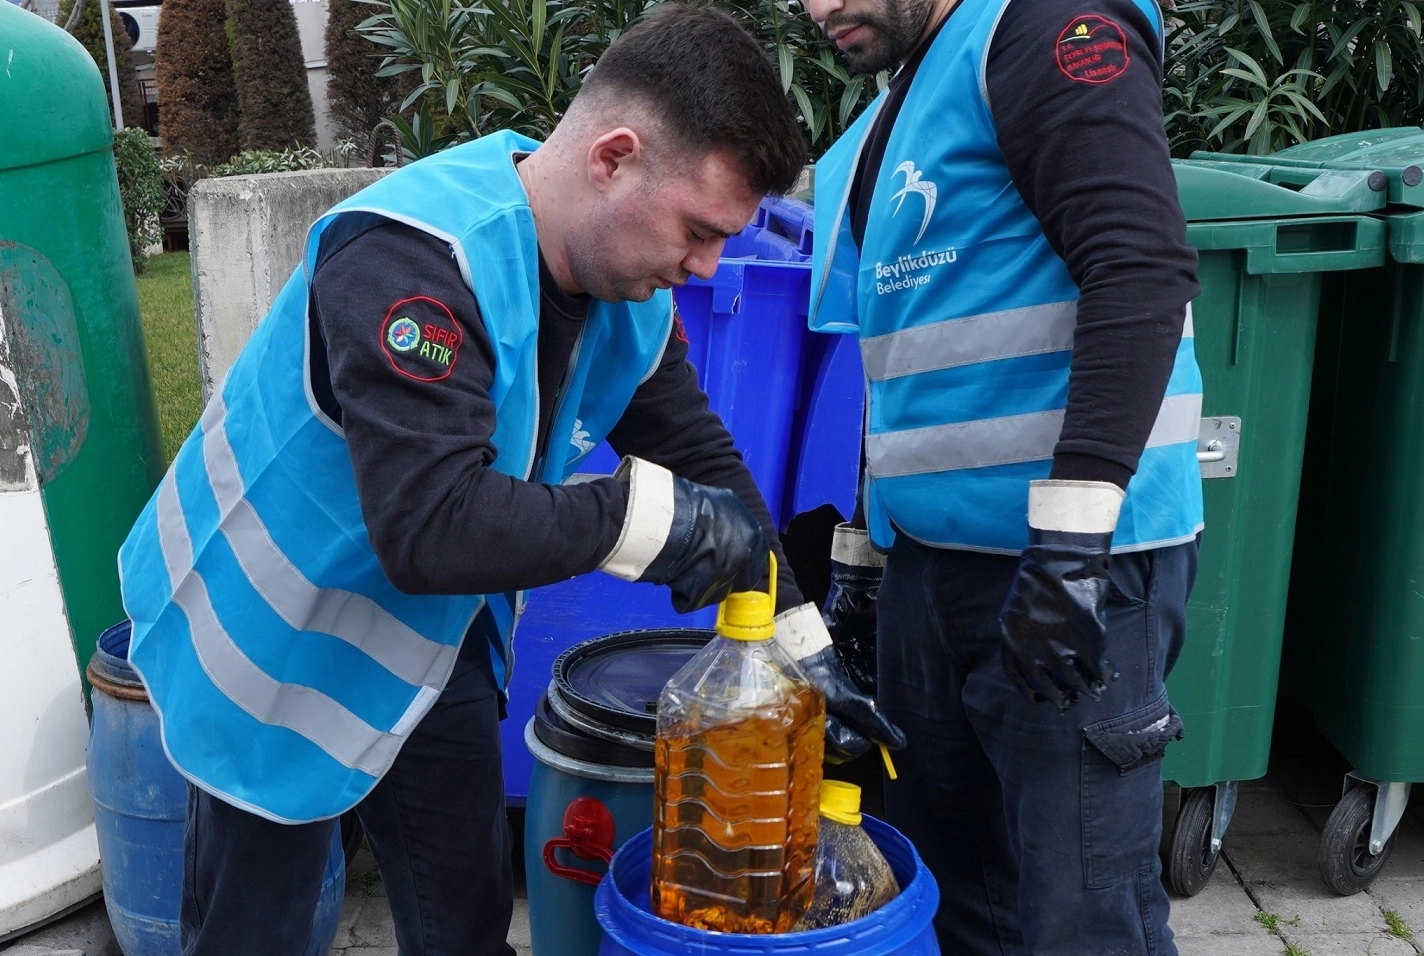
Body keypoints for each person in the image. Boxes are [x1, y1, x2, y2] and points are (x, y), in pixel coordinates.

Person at [117, 6, 901, 954]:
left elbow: (703, 461)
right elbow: (431, 527)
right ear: (614, 158)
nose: (706, 267)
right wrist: (650, 522)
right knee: (257, 932)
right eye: (699, 230)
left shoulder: (623, 290)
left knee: (466, 923)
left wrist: (801, 643)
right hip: (275, 640)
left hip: (426, 639)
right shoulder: (412, 260)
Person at [797, 0, 1204, 952]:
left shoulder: (1041, 26)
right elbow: (903, 366)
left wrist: (1069, 549)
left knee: (1083, 914)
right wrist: (861, 565)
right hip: (931, 570)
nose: (822, 9)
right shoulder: (901, 100)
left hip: (1072, 572)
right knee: (957, 893)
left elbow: (1137, 266)